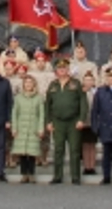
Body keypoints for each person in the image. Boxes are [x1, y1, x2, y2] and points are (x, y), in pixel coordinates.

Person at [44, 57, 88, 185]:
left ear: (68, 70)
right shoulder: (53, 85)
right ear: (56, 71)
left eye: (64, 68)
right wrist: (48, 121)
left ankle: (75, 176)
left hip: (73, 121)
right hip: (58, 121)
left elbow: (83, 102)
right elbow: (48, 104)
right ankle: (57, 176)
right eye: (59, 68)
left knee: (74, 149)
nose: (62, 70)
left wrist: (81, 119)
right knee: (58, 149)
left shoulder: (76, 83)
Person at [11, 73, 45, 182]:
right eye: (26, 82)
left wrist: (40, 128)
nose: (28, 84)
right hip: (21, 127)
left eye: (30, 82)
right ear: (23, 85)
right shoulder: (18, 98)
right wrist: (14, 128)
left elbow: (41, 114)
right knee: (23, 152)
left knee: (32, 152)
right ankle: (24, 173)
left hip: (33, 127)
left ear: (34, 84)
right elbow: (15, 113)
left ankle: (31, 173)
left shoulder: (39, 98)